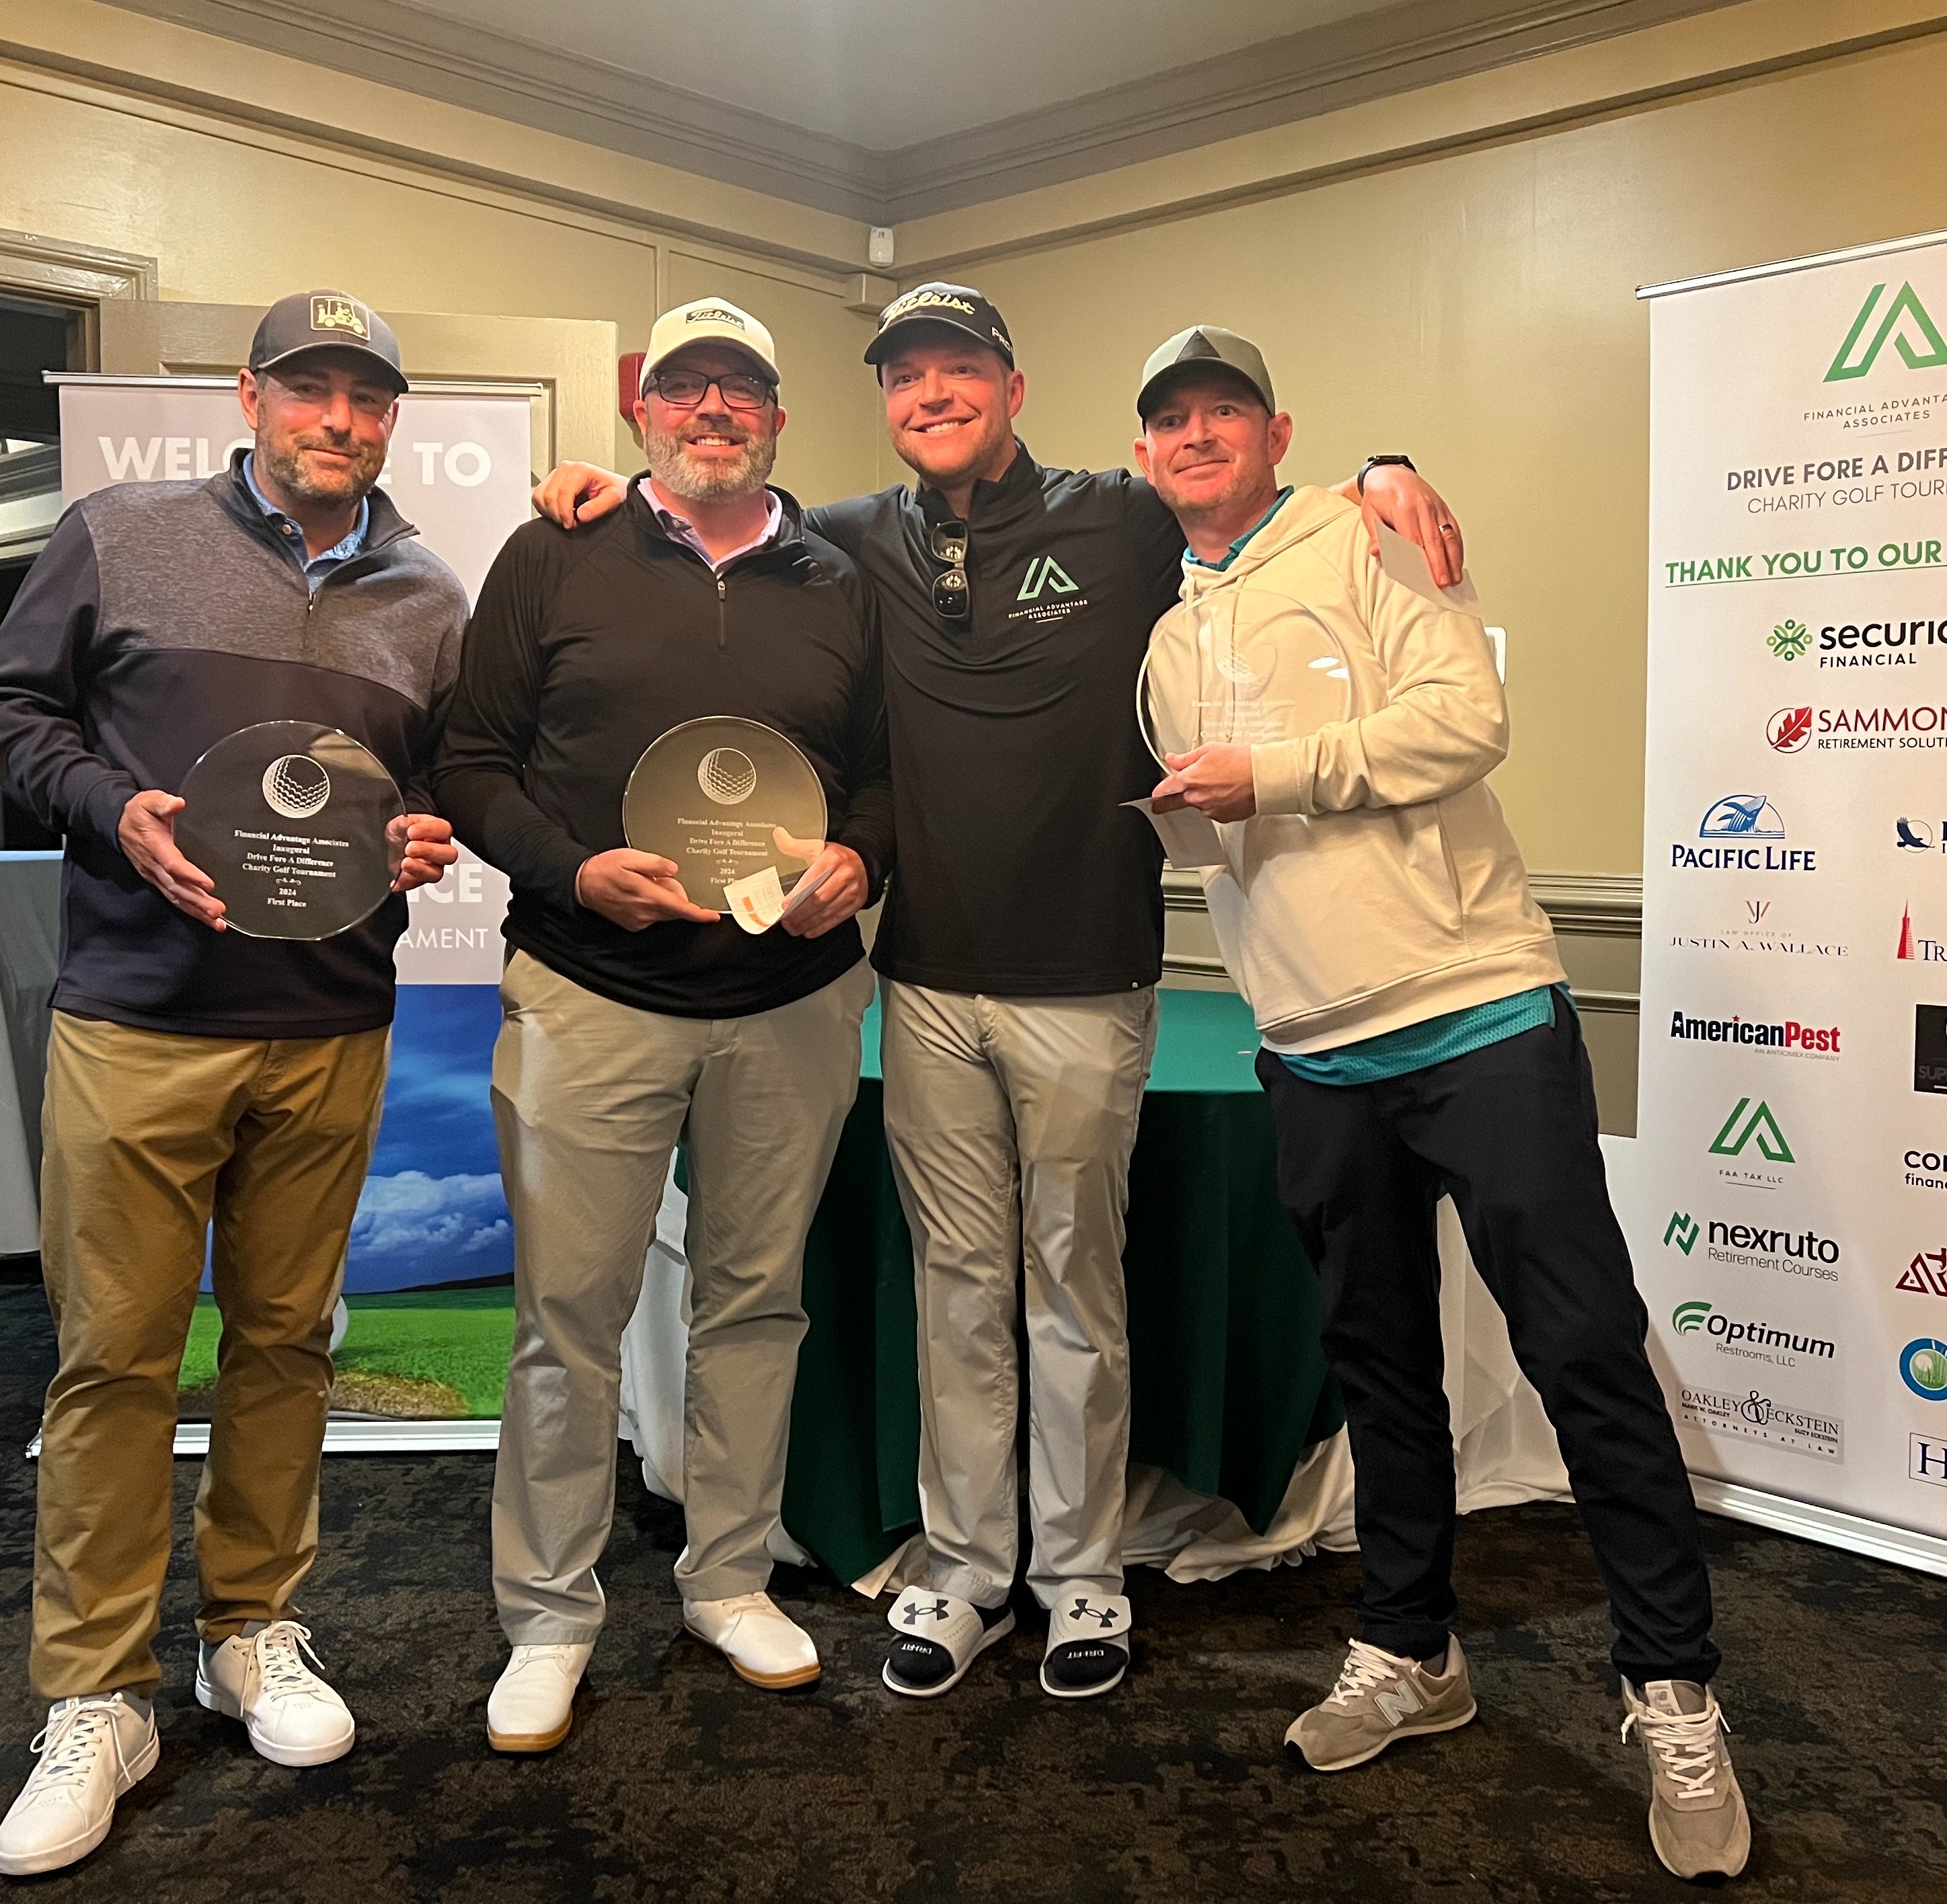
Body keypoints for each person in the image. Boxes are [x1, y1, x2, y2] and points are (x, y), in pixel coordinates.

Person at [531, 285, 1469, 1703]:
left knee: (1075, 1288)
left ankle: (1081, 1574)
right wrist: (604, 491)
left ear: (1013, 389)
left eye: (958, 369)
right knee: (959, 1289)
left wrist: (1380, 469)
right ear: (884, 403)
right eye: (905, 376)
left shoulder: (1122, 517)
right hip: (922, 982)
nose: (932, 394)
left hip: (1088, 979)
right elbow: (719, 518)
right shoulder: (849, 537)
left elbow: (1248, 500)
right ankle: (967, 1567)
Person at [1132, 324, 1751, 1882]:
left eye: (1223, 410)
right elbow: (1219, 845)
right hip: (1310, 1046)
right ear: (1144, 456)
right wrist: (1206, 810)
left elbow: (1468, 721)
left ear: (1279, 432)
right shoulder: (1165, 641)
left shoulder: (1375, 531)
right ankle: (1413, 1652)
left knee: (1585, 1351)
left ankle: (1673, 1691)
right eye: (1170, 420)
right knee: (1381, 1364)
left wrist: (1268, 774)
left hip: (1478, 1015)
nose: (1196, 435)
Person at [0, 291, 464, 1878]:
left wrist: (424, 833)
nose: (340, 419)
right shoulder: (121, 533)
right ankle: (97, 1693)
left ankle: (250, 1629)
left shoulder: (430, 595)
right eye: (310, 389)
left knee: (285, 1343)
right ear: (250, 397)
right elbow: (7, 713)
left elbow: (431, 783)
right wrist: (115, 810)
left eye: (367, 398)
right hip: (139, 1019)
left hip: (331, 1020)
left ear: (390, 419)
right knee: (114, 1358)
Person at [434, 298, 891, 1753]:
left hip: (791, 1002)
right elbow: (472, 759)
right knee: (568, 1319)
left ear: (777, 418)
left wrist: (862, 858)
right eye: (685, 386)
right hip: (592, 991)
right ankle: (549, 1616)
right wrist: (571, 872)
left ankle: (728, 1578)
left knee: (756, 1303)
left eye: (740, 389)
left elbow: (886, 775)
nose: (713, 410)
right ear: (643, 413)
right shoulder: (553, 551)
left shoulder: (841, 577)